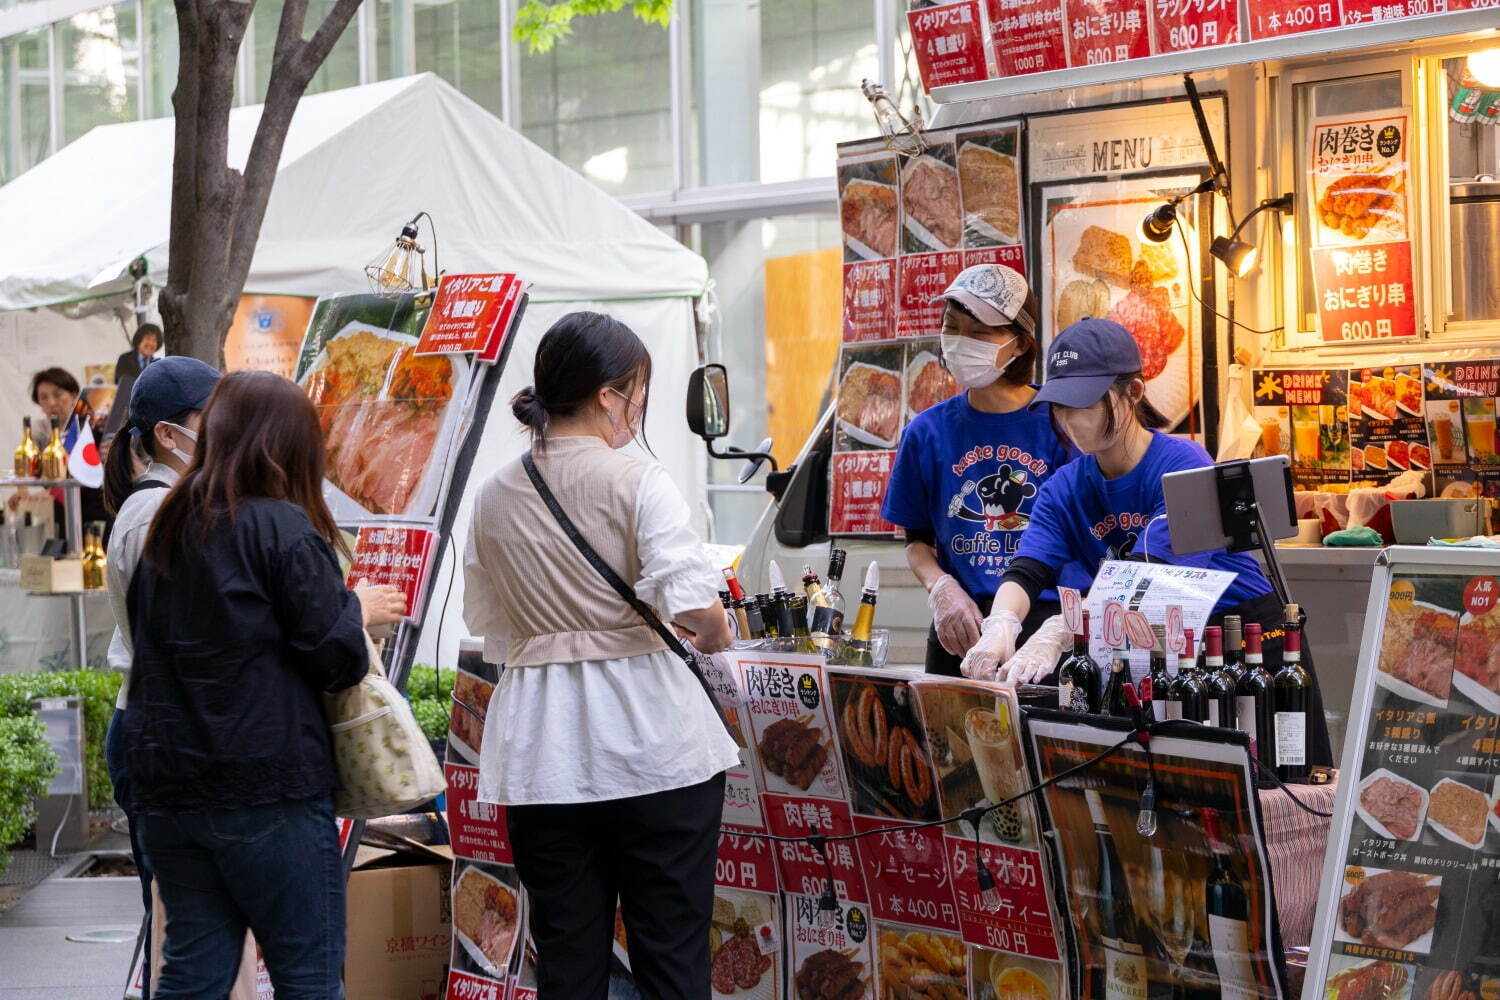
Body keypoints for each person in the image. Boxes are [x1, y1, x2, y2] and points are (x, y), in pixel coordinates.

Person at [465, 311, 737, 999]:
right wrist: (718, 630)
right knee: (672, 953)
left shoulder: (494, 495)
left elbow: (488, 621)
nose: (640, 407)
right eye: (638, 390)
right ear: (611, 394)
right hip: (655, 744)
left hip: (542, 752)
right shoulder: (639, 480)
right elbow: (693, 608)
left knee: (567, 957)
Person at [124, 371, 407, 999]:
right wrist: (356, 611)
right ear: (289, 446)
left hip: (170, 790)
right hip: (266, 788)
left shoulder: (169, 525)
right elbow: (336, 658)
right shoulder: (280, 527)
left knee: (193, 971)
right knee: (308, 975)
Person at [962, 318, 1332, 766]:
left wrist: (1059, 629)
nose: (1070, 420)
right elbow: (1028, 569)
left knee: (1282, 775)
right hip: (1161, 644)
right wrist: (1001, 624)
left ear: (1133, 393)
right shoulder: (1064, 487)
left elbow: (1146, 575)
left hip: (1246, 634)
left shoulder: (1183, 464)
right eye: (1059, 406)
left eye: (1083, 405)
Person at [881, 263, 1079, 675]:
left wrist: (1059, 630)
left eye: (980, 333)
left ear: (1020, 344)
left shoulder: (1064, 424)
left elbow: (1087, 537)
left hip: (1043, 630)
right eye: (952, 327)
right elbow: (916, 541)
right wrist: (942, 589)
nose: (959, 342)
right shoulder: (926, 432)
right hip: (961, 628)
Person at [101, 356, 220, 1000]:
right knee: (180, 926)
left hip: (156, 726)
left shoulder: (172, 503)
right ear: (171, 435)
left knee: (184, 922)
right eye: (212, 415)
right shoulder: (154, 516)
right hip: (160, 732)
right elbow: (188, 641)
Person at [17, 367, 109, 526]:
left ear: (74, 395)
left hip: (96, 513)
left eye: (57, 395)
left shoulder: (92, 427)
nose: (51, 403)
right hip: (60, 516)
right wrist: (22, 493)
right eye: (43, 397)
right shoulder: (39, 433)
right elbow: (26, 468)